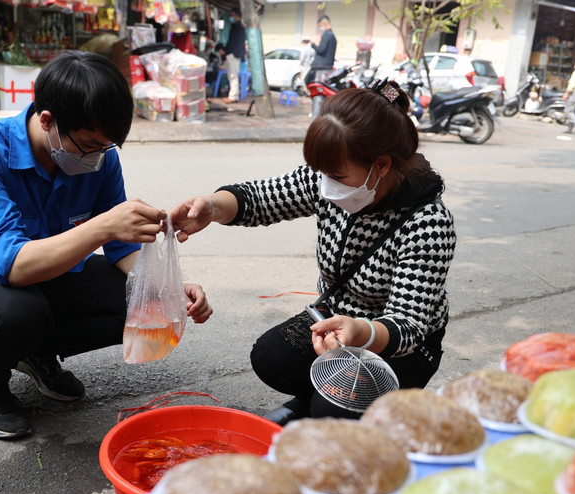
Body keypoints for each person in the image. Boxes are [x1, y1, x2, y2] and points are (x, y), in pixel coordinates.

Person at [0, 51, 213, 440]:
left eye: (106, 147)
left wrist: (165, 286)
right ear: (47, 121)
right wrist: (104, 226)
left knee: (141, 301)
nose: (96, 158)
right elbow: (13, 266)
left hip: (49, 277)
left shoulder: (99, 158)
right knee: (19, 311)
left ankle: (33, 353)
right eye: (89, 145)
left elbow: (122, 249)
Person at [169, 81, 455, 425]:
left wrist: (360, 332)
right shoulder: (331, 178)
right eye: (321, 173)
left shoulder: (428, 222)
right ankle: (311, 401)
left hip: (398, 345)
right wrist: (211, 208)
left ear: (380, 165)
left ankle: (351, 417)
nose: (324, 184)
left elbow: (408, 325)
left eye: (335, 175)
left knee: (332, 413)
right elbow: (260, 198)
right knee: (271, 356)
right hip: (333, 319)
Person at [223, 8, 246, 103]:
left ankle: (232, 96)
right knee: (231, 76)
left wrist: (236, 54)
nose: (230, 17)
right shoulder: (235, 26)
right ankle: (234, 96)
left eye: (232, 15)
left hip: (234, 54)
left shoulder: (240, 27)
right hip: (231, 54)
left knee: (233, 76)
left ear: (237, 15)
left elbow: (239, 42)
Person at [306, 15, 336, 86]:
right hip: (326, 66)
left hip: (322, 67)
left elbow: (321, 50)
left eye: (320, 26)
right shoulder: (332, 35)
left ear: (324, 23)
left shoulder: (327, 35)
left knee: (319, 87)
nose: (320, 28)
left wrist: (313, 44)